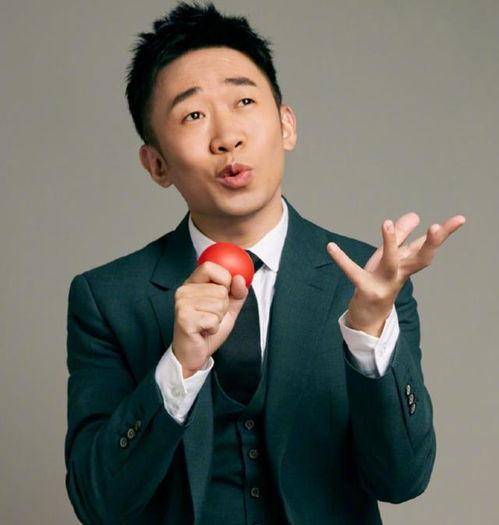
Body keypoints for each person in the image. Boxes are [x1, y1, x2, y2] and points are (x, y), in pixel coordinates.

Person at [64, 2, 465, 524]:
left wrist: (370, 333)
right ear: (157, 164)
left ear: (286, 125)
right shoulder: (107, 298)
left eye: (245, 101)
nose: (226, 137)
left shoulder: (367, 281)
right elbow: (97, 503)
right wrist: (178, 367)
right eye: (193, 115)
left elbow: (403, 480)